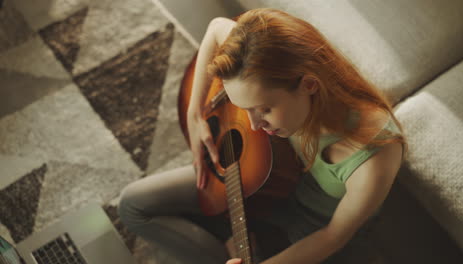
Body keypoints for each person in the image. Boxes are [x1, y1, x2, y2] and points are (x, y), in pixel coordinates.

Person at [118, 7, 407, 264]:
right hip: (267, 181)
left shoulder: (375, 152)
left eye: (264, 109)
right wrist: (195, 113)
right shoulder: (258, 51)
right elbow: (217, 27)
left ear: (309, 84)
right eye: (246, 109)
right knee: (133, 205)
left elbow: (334, 236)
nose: (255, 125)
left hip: (316, 234)